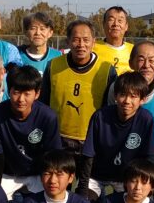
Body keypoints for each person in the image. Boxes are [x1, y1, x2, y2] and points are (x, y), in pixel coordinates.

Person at [40, 18, 116, 164]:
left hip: (91, 140)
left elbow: (111, 109)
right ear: (68, 42)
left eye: (86, 40)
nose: (81, 44)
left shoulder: (107, 70)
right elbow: (43, 103)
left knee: (86, 179)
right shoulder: (53, 66)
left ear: (94, 42)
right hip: (58, 138)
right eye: (75, 39)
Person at [0, 65, 63, 198]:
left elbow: (53, 154)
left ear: (37, 94)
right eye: (16, 92)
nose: (21, 99)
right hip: (7, 174)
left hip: (38, 174)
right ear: (9, 91)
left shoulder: (48, 117)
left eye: (27, 94)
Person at [76, 72, 154, 199]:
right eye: (123, 95)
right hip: (96, 176)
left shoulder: (146, 119)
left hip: (126, 178)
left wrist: (144, 186)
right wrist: (83, 189)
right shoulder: (100, 116)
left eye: (133, 96)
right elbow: (88, 155)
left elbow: (149, 157)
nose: (127, 101)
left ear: (143, 99)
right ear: (115, 95)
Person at [92, 5, 133, 73]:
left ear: (126, 26)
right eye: (111, 20)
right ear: (104, 24)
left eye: (120, 20)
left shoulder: (134, 51)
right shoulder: (92, 49)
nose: (116, 24)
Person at [20, 11, 62, 76]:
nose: (38, 33)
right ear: (26, 32)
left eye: (42, 29)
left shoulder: (58, 56)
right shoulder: (16, 55)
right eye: (33, 28)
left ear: (50, 33)